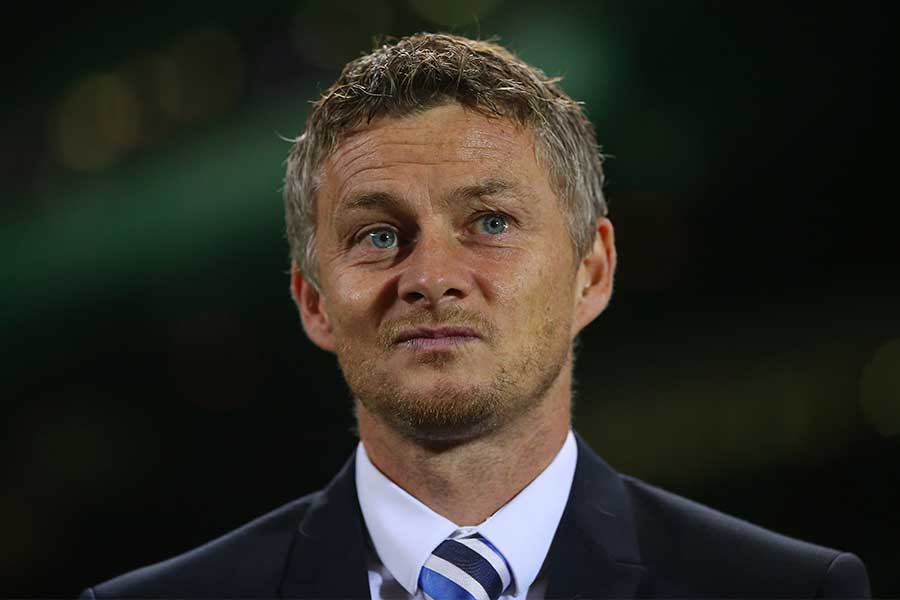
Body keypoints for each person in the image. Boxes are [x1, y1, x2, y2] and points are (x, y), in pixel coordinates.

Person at [82, 33, 870, 599]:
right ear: (313, 301)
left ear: (592, 271)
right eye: (378, 235)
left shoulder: (787, 590)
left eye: (490, 222)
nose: (431, 278)